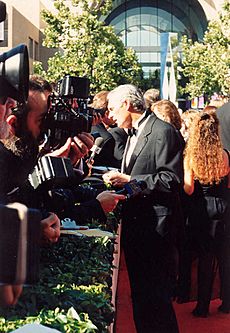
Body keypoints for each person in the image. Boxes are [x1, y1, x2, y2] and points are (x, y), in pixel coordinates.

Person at [103, 84, 184, 333]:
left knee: (157, 300)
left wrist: (130, 181)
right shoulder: (132, 133)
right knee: (142, 298)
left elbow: (171, 180)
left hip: (156, 228)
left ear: (127, 104)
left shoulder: (162, 132)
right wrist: (121, 190)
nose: (110, 115)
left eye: (112, 108)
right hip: (138, 226)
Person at [183, 110, 229, 317]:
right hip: (224, 207)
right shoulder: (225, 155)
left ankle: (202, 306)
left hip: (202, 210)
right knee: (225, 256)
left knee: (205, 258)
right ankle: (227, 302)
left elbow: (189, 188)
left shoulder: (191, 157)